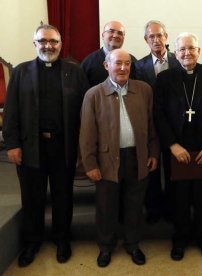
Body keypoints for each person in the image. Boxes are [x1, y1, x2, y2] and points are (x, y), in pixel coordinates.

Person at [2, 24, 89, 267]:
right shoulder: (20, 72)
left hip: (64, 146)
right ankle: (32, 241)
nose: (48, 46)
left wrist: (84, 147)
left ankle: (62, 239)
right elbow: (11, 113)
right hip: (31, 146)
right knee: (32, 196)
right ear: (35, 44)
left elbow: (85, 112)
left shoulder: (75, 72)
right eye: (42, 41)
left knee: (63, 196)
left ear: (61, 45)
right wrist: (12, 144)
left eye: (53, 41)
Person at [79, 49, 159, 268]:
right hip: (106, 161)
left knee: (134, 204)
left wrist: (153, 152)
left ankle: (133, 244)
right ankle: (106, 247)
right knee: (107, 206)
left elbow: (152, 125)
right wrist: (90, 164)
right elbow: (87, 134)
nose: (123, 68)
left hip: (137, 157)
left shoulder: (144, 90)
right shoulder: (93, 94)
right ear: (107, 65)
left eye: (127, 63)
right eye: (117, 63)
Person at [154, 32, 202, 261]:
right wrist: (172, 145)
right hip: (177, 149)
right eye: (182, 49)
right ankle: (180, 240)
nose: (187, 53)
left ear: (199, 51)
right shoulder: (165, 79)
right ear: (175, 53)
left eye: (191, 48)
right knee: (179, 198)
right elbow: (159, 114)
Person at [135, 20, 181, 224]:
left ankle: (173, 207)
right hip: (149, 126)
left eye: (159, 35)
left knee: (172, 168)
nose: (156, 39)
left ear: (166, 37)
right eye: (151, 36)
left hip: (175, 126)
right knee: (151, 169)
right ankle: (153, 208)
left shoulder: (179, 60)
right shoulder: (137, 66)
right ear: (146, 40)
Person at [81, 20, 137, 87]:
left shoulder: (132, 61)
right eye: (111, 31)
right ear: (103, 35)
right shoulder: (89, 62)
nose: (116, 35)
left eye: (120, 33)